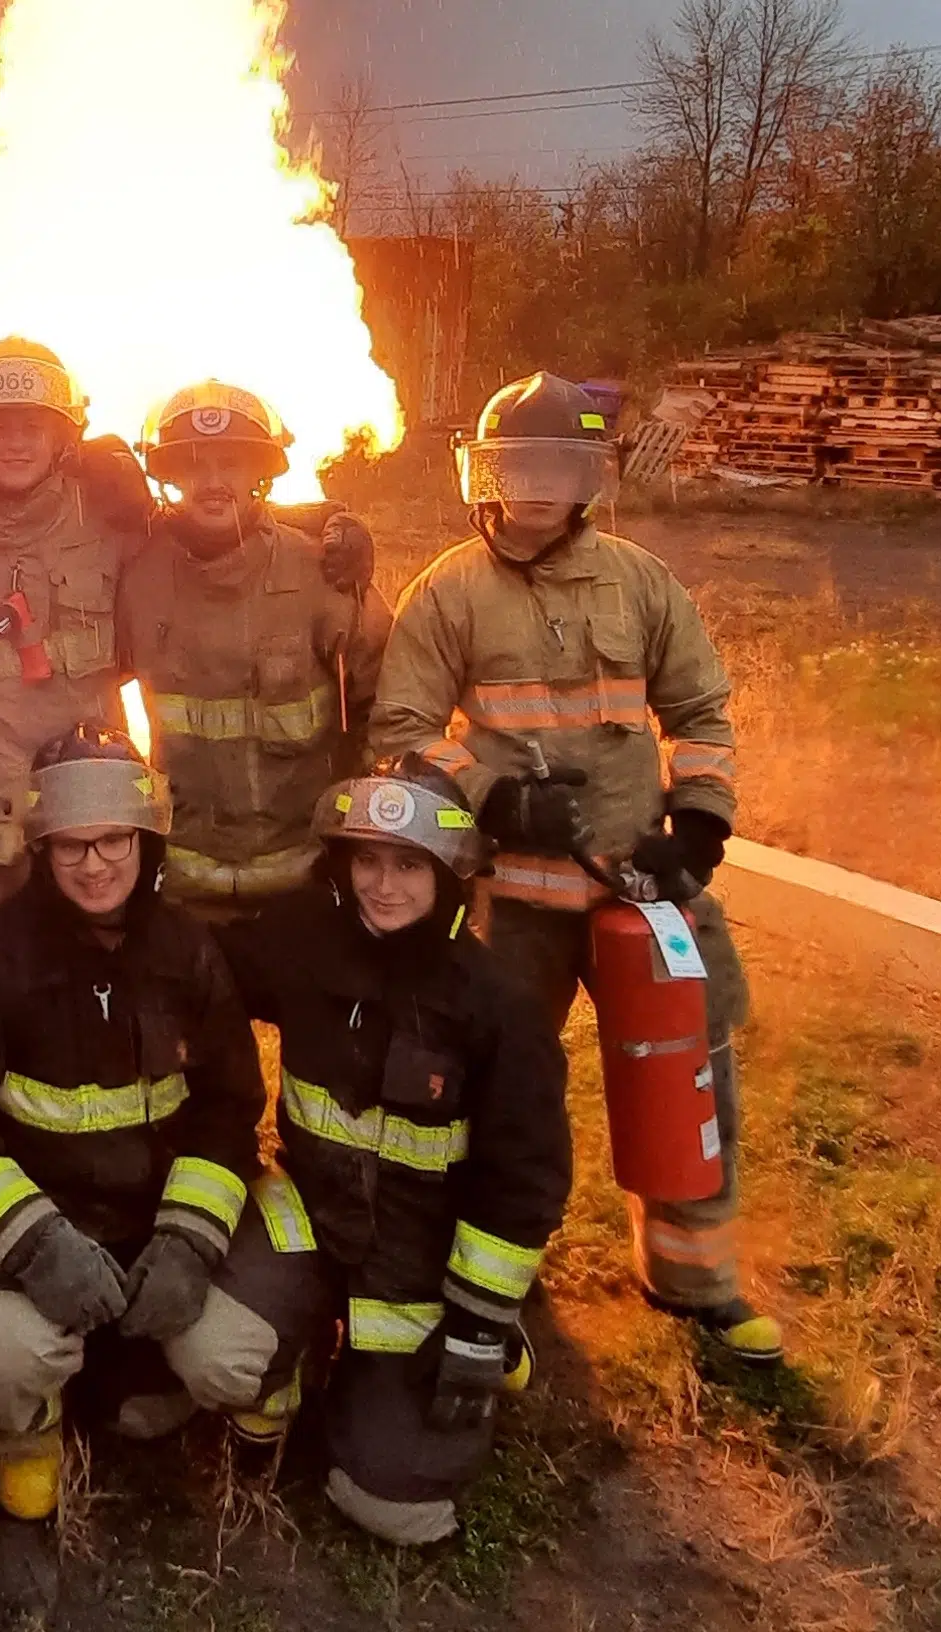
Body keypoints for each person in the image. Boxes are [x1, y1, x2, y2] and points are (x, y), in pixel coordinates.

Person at [368, 371, 781, 1366]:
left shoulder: (640, 582)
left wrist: (698, 826)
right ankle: (497, 1273)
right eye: (514, 464)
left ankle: (692, 1281)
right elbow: (402, 727)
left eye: (556, 464)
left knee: (688, 1071)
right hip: (515, 901)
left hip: (644, 890)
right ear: (482, 473)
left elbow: (700, 710)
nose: (534, 484)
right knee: (501, 1087)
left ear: (589, 476)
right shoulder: (449, 593)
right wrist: (492, 799)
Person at [0, 726, 265, 1525]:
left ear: (145, 840)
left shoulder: (187, 951)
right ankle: (18, 1428)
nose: (94, 864)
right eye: (72, 846)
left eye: (113, 841)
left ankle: (125, 1366)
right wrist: (34, 1242)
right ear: (42, 848)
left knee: (228, 1359)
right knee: (7, 1355)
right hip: (36, 1244)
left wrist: (191, 1239)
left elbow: (230, 1107)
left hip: (152, 1237)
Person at [206, 757, 572, 1544]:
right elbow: (203, 969)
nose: (384, 884)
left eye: (409, 863)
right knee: (212, 1349)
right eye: (367, 859)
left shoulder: (498, 1007)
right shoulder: (303, 942)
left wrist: (477, 1325)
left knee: (397, 1505)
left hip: (418, 1263)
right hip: (311, 1222)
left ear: (449, 872)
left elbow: (523, 1181)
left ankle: (477, 1356)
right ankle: (290, 1374)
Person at [122, 380, 390, 916]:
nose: (214, 482)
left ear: (262, 475)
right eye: (195, 466)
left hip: (307, 888)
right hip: (182, 891)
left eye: (233, 464)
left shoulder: (323, 572)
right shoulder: (138, 577)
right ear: (168, 477)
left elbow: (388, 709)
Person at [0, 340, 149, 915]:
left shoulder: (111, 523)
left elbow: (205, 553)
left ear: (65, 436)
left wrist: (328, 521)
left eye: (34, 427)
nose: (16, 443)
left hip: (82, 826)